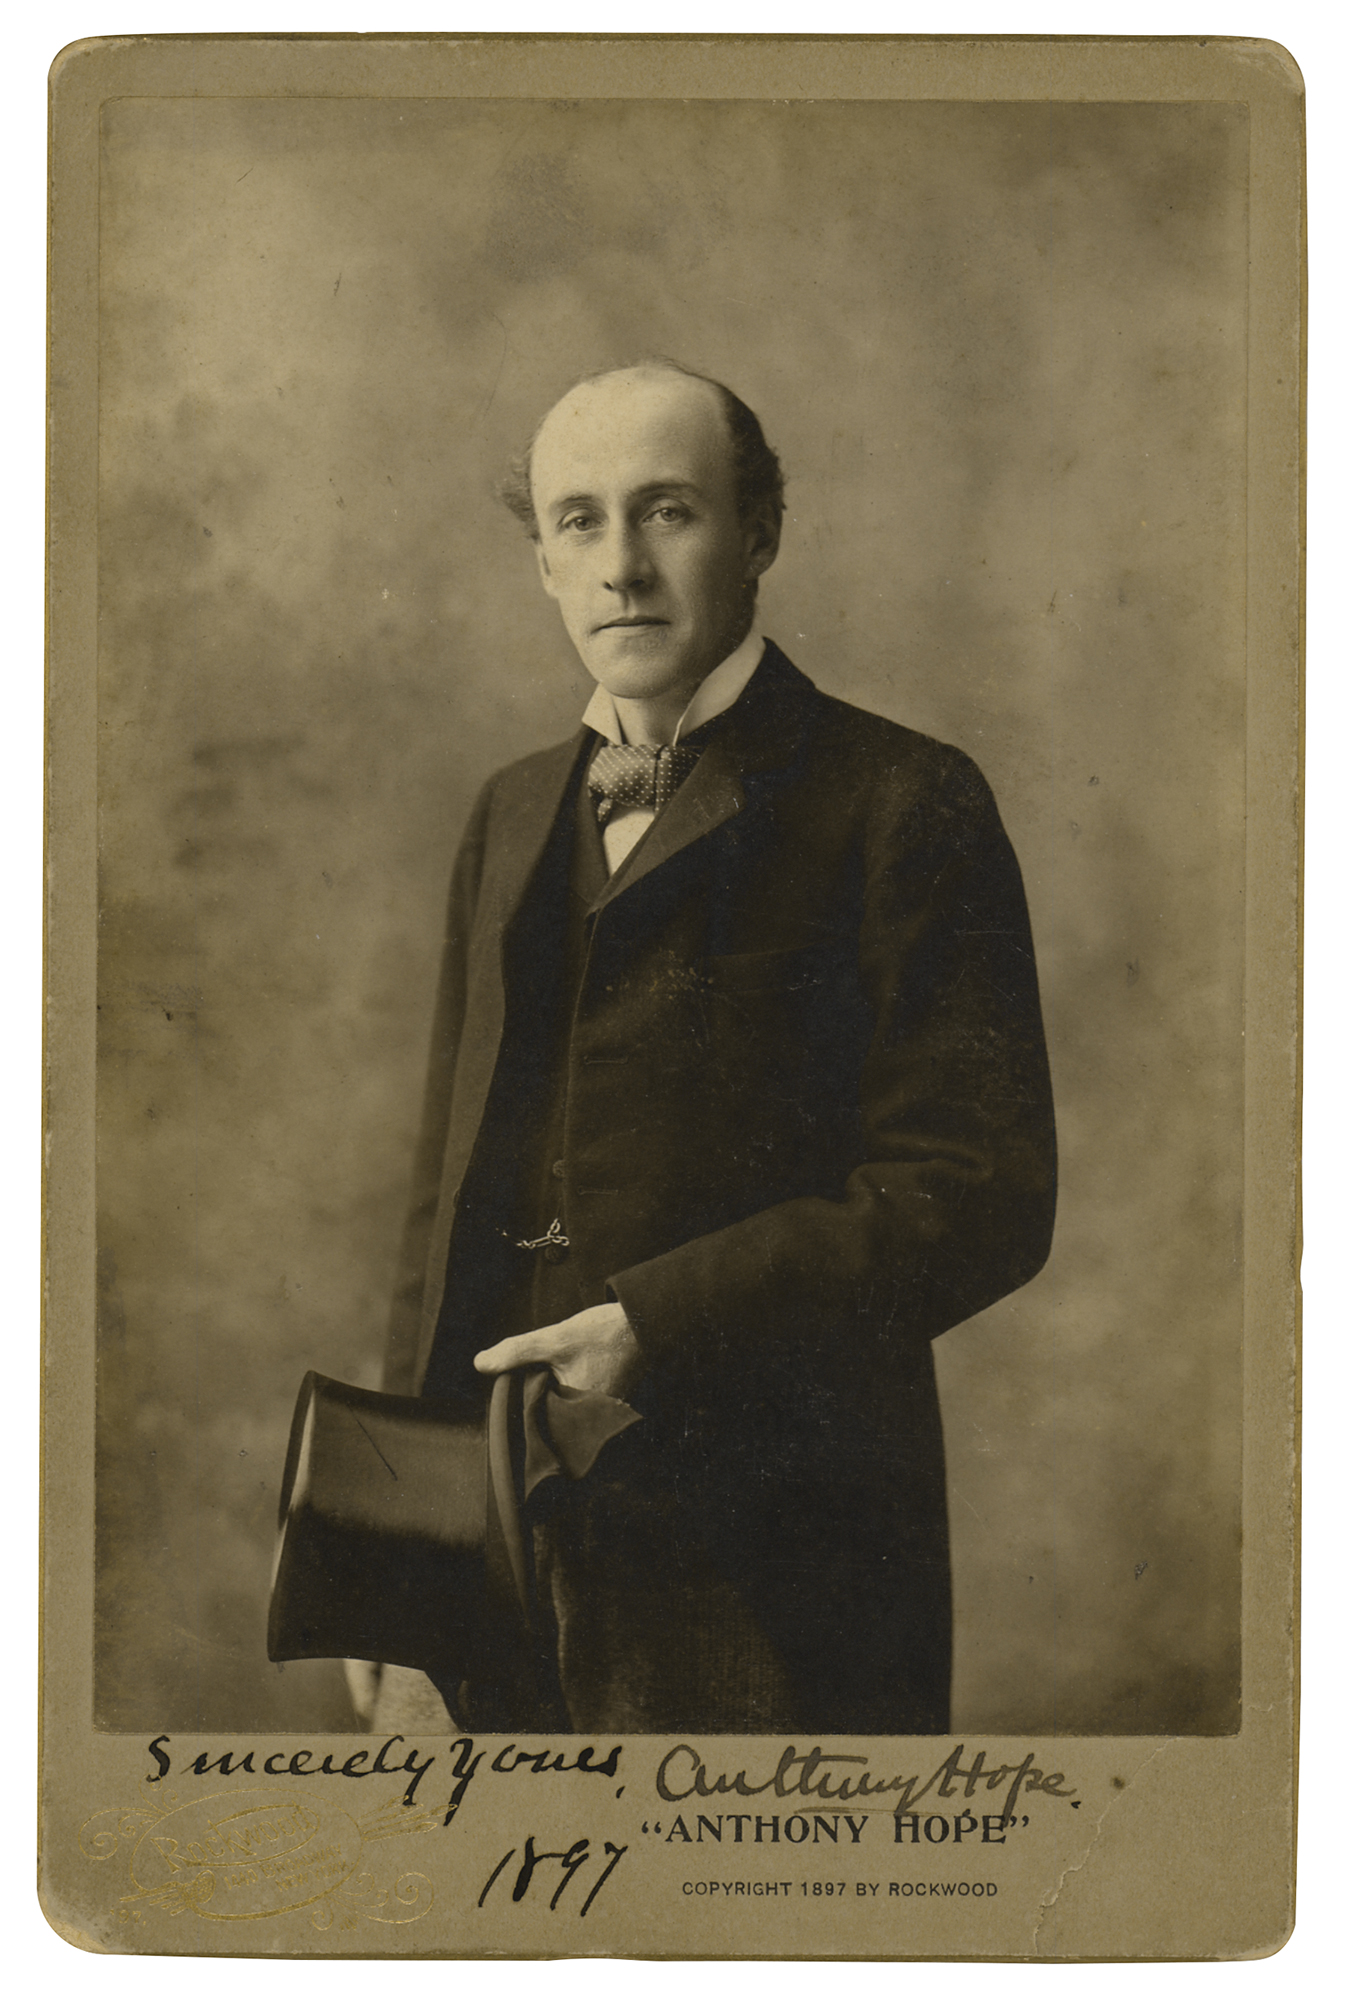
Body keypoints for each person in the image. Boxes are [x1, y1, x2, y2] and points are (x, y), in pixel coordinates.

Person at [373, 360, 1056, 1736]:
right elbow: (440, 1215)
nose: (620, 566)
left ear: (759, 534)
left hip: (777, 1574)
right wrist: (394, 1558)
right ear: (542, 564)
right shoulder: (509, 812)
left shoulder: (903, 798)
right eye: (578, 521)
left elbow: (977, 1195)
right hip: (488, 1565)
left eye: (668, 511)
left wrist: (657, 1325)